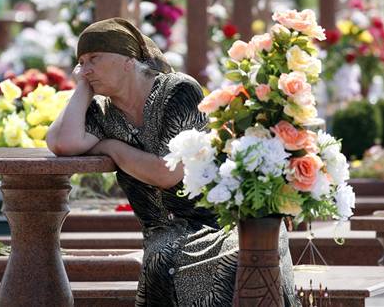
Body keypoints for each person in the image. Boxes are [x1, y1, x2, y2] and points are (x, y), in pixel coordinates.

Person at [47, 17, 300, 306]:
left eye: (94, 58)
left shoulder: (179, 91)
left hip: (219, 224)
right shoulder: (102, 111)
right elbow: (62, 143)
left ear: (128, 60)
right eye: (80, 61)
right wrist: (83, 87)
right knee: (163, 257)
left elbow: (168, 172)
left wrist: (111, 147)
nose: (84, 68)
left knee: (237, 256)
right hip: (163, 233)